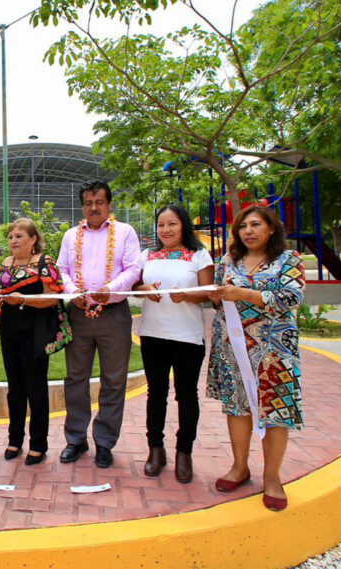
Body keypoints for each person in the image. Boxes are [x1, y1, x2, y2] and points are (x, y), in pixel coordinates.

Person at [206, 205, 305, 512]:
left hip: (274, 350)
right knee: (237, 407)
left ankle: (272, 477)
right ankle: (239, 467)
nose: (248, 231)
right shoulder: (229, 260)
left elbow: (292, 297)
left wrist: (244, 294)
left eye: (255, 225)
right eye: (243, 227)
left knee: (275, 411)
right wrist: (215, 295)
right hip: (232, 349)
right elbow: (219, 299)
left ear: (271, 228)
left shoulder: (290, 260)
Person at [56, 180, 142, 468]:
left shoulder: (125, 232)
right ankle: (76, 439)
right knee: (75, 378)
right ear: (83, 206)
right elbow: (61, 270)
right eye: (88, 203)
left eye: (99, 202)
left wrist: (110, 288)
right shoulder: (71, 235)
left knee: (114, 380)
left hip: (113, 315)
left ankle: (105, 442)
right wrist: (72, 293)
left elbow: (133, 268)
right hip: (78, 314)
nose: (94, 207)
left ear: (109, 205)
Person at [134, 204, 214, 483]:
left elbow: (210, 295)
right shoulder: (146, 255)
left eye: (172, 224)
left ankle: (184, 452)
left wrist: (188, 295)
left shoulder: (199, 255)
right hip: (153, 333)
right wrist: (144, 290)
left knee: (186, 396)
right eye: (161, 225)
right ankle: (155, 450)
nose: (166, 230)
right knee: (156, 394)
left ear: (184, 226)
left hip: (187, 338)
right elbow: (134, 287)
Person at [0, 218, 65, 466]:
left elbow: (52, 299)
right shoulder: (5, 263)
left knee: (36, 387)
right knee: (15, 388)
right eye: (11, 236)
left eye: (20, 236)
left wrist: (22, 300)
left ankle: (38, 444)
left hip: (35, 331)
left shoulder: (45, 262)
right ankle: (14, 439)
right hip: (9, 330)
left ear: (33, 239)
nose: (13, 241)